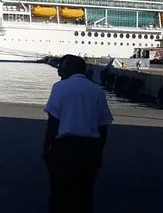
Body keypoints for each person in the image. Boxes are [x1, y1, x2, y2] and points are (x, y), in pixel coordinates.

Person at [43, 54, 114, 213]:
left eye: (62, 67)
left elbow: (53, 122)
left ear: (71, 69)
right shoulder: (97, 91)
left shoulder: (60, 87)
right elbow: (103, 127)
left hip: (64, 148)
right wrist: (98, 153)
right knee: (85, 193)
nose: (59, 71)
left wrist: (46, 148)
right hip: (89, 149)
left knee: (59, 192)